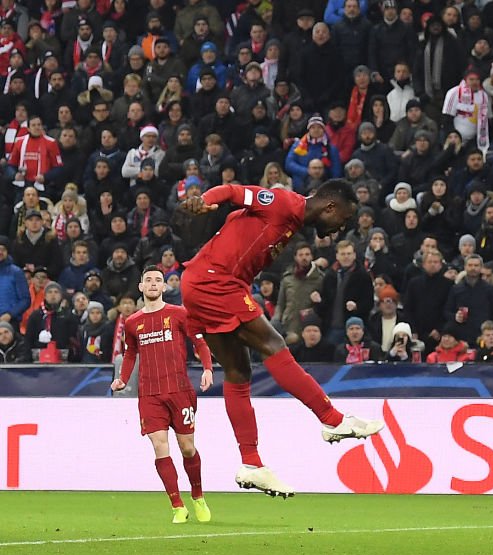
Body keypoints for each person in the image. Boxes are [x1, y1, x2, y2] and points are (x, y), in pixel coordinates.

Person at [179, 180, 383, 498]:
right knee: (273, 345)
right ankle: (333, 419)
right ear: (330, 206)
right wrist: (205, 200)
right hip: (215, 282)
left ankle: (252, 464)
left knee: (238, 372)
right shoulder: (283, 203)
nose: (340, 228)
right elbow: (233, 191)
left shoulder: (292, 222)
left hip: (205, 282)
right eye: (342, 219)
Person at [110, 266, 214, 524]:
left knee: (187, 448)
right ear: (141, 287)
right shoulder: (133, 322)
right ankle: (177, 505)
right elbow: (131, 352)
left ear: (165, 287)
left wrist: (208, 368)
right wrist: (123, 378)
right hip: (149, 394)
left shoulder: (180, 314)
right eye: (149, 280)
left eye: (159, 280)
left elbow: (199, 342)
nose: (154, 284)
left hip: (179, 389)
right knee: (159, 445)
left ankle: (198, 495)